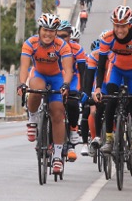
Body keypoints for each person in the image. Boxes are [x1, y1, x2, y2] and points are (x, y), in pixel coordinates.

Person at [92, 6, 132, 165]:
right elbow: (101, 65)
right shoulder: (108, 38)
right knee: (110, 99)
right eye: (116, 25)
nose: (119, 29)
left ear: (129, 25)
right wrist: (98, 88)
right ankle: (109, 139)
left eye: (123, 26)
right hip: (116, 70)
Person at [17, 13, 73, 175]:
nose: (47, 34)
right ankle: (32, 120)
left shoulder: (62, 45)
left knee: (57, 113)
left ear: (56, 32)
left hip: (56, 78)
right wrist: (22, 83)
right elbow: (24, 68)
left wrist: (66, 84)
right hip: (39, 75)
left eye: (51, 31)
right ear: (39, 30)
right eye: (45, 30)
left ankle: (57, 156)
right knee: (35, 89)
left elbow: (68, 70)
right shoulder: (30, 43)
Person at [59, 22, 87, 160]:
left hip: (73, 78)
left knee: (72, 103)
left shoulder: (77, 49)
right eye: (58, 36)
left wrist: (82, 90)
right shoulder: (49, 47)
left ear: (70, 37)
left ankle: (73, 129)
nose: (61, 39)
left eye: (65, 36)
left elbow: (83, 71)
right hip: (56, 76)